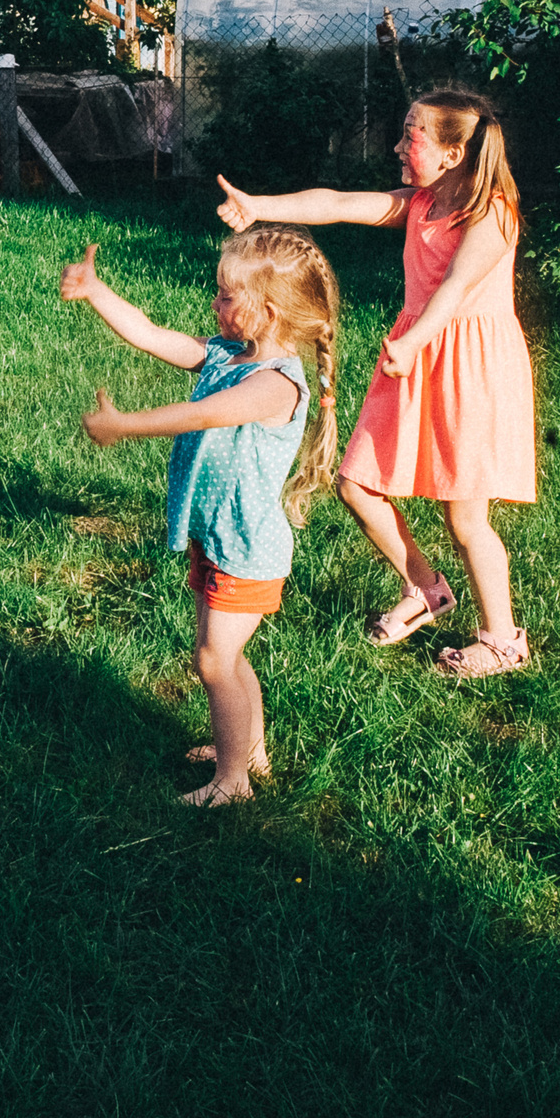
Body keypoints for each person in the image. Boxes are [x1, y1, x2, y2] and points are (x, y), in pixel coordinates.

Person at [216, 89, 537, 678]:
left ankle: (502, 641)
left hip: (469, 365)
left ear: (452, 153)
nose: (396, 145)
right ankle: (426, 589)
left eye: (411, 135)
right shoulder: (420, 202)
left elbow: (455, 287)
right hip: (415, 352)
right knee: (357, 484)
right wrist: (257, 205)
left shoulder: (492, 211)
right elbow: (338, 202)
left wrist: (414, 343)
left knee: (464, 518)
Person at [61, 226, 344, 805]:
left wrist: (125, 425)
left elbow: (204, 415)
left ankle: (232, 781)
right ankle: (248, 750)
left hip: (246, 548)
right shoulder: (228, 354)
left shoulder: (274, 385)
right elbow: (155, 336)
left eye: (225, 296)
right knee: (225, 657)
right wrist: (96, 291)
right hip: (217, 536)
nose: (214, 303)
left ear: (266, 312)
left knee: (214, 661)